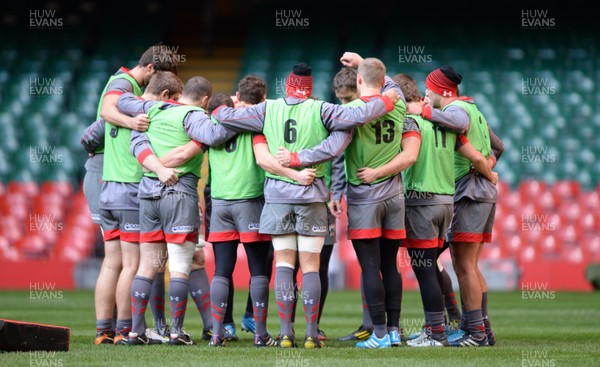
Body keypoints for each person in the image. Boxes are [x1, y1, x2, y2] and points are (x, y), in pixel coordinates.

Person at [211, 62, 401, 349]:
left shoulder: (267, 109)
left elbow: (224, 117)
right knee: (311, 267)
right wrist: (387, 99)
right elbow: (357, 119)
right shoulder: (322, 109)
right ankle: (312, 334)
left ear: (287, 86)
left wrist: (221, 108)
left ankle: (286, 333)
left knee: (285, 264)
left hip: (276, 198)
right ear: (310, 89)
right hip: (312, 196)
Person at [281, 53, 418, 349]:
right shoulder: (397, 103)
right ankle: (394, 330)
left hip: (364, 197)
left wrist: (297, 158)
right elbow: (388, 82)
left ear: (357, 82)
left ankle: (378, 334)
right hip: (395, 194)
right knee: (390, 267)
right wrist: (362, 63)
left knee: (370, 268)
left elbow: (330, 149)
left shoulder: (350, 111)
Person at [118, 76, 232, 346]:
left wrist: (154, 167)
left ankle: (136, 332)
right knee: (180, 266)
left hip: (147, 194)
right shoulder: (193, 115)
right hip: (179, 193)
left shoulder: (151, 109)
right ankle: (175, 333)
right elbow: (214, 135)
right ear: (205, 99)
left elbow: (136, 144)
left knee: (148, 265)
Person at [386, 74, 497, 347]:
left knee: (443, 267)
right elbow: (487, 150)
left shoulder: (433, 117)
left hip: (429, 199)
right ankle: (476, 327)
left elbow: (409, 157)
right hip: (448, 200)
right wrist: (488, 170)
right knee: (445, 265)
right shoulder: (450, 120)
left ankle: (447, 331)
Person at [93, 46, 179, 345]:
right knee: (132, 264)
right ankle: (124, 330)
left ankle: (103, 330)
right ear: (152, 69)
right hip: (130, 186)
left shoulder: (119, 87)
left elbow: (97, 126)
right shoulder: (127, 87)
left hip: (108, 186)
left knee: (111, 262)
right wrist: (134, 122)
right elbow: (106, 111)